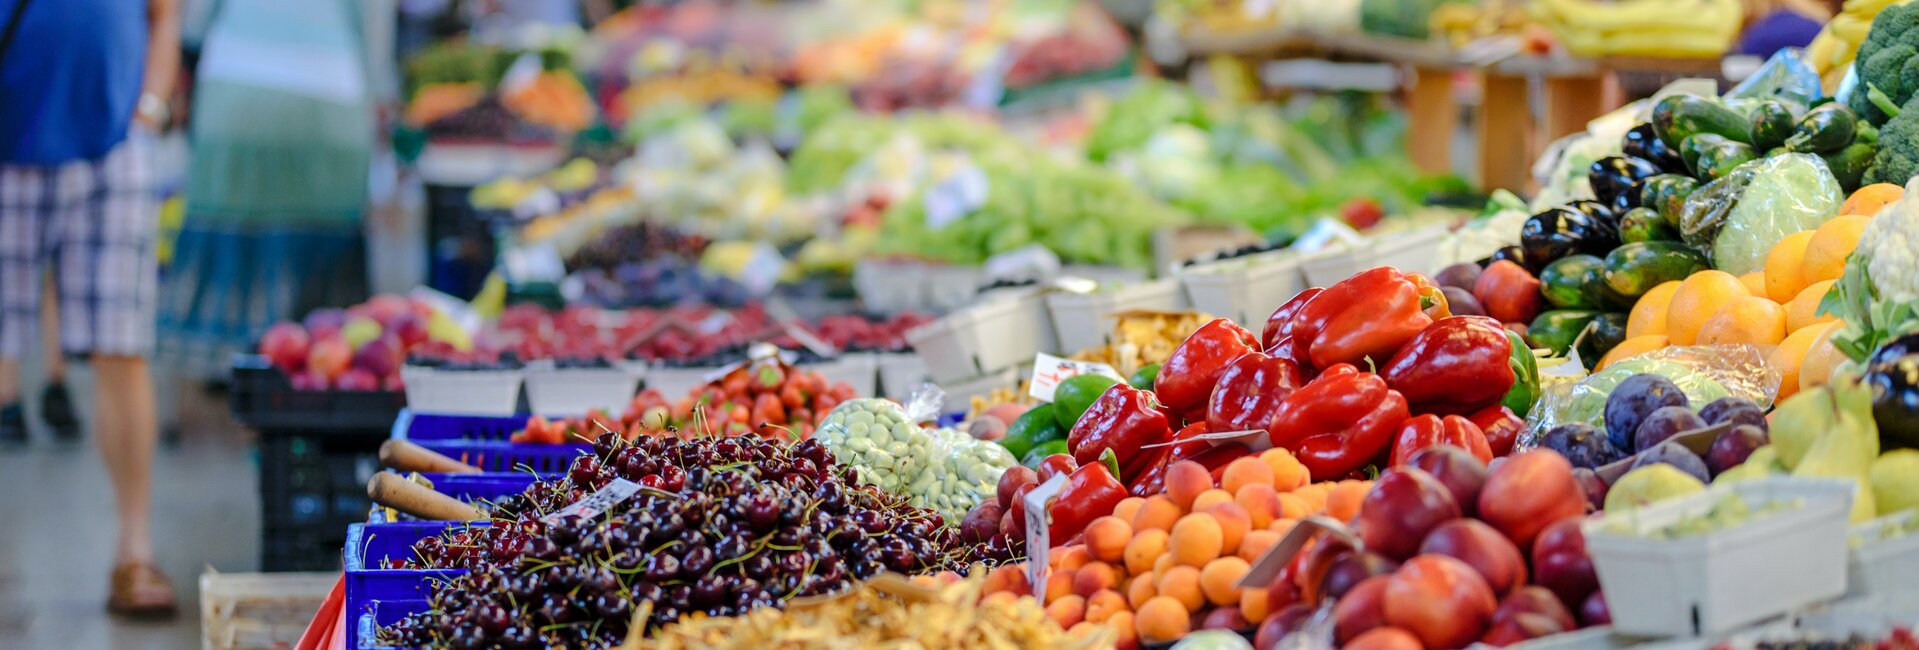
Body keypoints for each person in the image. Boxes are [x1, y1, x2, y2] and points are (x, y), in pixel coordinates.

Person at [0, 0, 181, 617]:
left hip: (114, 150)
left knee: (122, 347)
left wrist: (150, 111)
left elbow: (164, 13)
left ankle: (135, 549)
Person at [159, 0, 382, 380]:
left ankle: (228, 369)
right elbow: (377, 39)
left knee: (232, 244)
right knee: (324, 281)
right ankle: (312, 375)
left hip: (234, 99)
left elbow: (190, 24)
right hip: (331, 102)